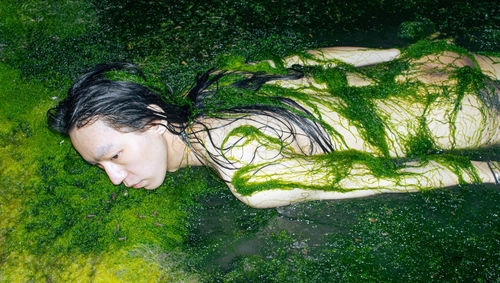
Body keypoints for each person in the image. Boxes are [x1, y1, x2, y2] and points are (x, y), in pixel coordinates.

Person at [48, 46, 500, 208]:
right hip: (438, 66)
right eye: (100, 166)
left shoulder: (251, 177)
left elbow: (392, 179)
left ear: (153, 118)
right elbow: (319, 58)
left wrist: (492, 173)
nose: (115, 178)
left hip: (462, 115)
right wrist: (400, 54)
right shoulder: (220, 80)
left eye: (114, 154)